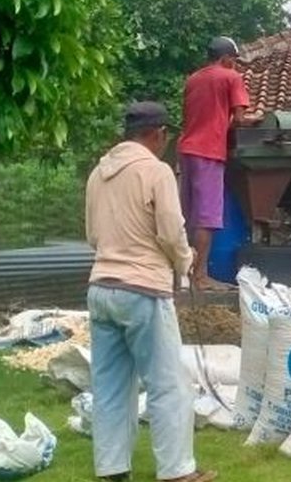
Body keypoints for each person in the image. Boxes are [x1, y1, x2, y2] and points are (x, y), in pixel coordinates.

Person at [84, 102, 216, 482]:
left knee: (109, 385)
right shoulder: (156, 171)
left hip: (101, 287)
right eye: (166, 137)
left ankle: (111, 468)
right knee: (168, 384)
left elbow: (93, 235)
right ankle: (177, 472)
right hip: (143, 289)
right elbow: (171, 230)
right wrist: (184, 261)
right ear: (157, 134)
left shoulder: (98, 173)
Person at [177, 36, 255, 291]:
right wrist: (256, 119)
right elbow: (240, 120)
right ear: (225, 58)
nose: (234, 65)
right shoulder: (230, 77)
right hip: (209, 152)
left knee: (188, 217)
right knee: (207, 217)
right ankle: (200, 277)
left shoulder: (193, 79)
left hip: (187, 151)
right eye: (233, 61)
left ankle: (183, 276)